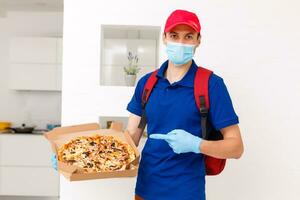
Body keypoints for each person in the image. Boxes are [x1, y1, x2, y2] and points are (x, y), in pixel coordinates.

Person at [126, 9, 244, 200]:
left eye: (188, 36)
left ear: (198, 40)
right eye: (174, 35)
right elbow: (130, 140)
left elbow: (236, 147)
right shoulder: (147, 84)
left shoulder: (211, 85)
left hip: (187, 193)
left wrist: (197, 144)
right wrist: (87, 159)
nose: (180, 43)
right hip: (145, 191)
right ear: (164, 37)